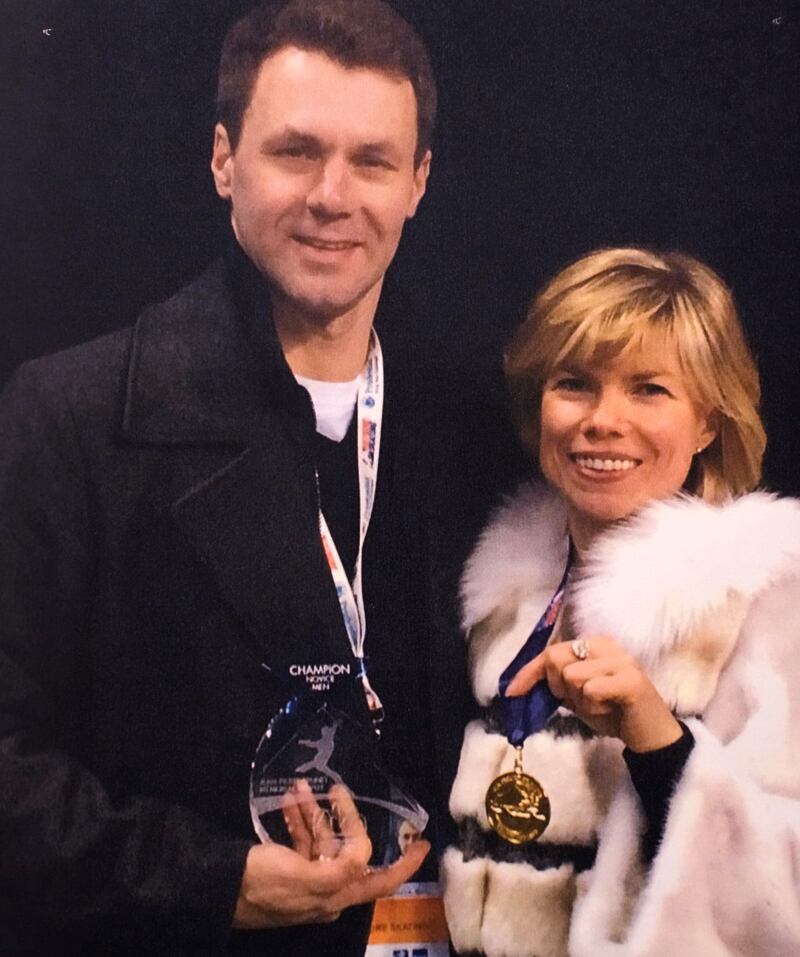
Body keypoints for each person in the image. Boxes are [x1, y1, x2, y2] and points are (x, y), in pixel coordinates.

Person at [0, 1, 497, 954]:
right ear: (224, 160)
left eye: (373, 162)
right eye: (296, 152)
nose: (332, 195)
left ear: (419, 183)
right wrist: (208, 879)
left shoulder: (474, 433)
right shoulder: (71, 418)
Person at [441, 247, 800, 956]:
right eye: (575, 383)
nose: (603, 420)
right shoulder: (500, 597)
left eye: (649, 389)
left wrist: (659, 741)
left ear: (708, 420)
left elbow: (784, 903)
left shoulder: (770, 603)